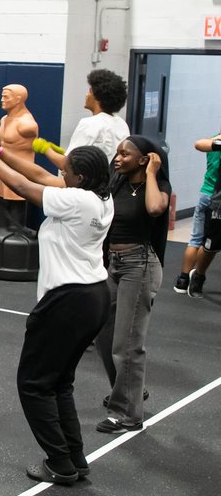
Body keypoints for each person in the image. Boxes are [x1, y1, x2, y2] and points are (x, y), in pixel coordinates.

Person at [0, 132, 113, 484]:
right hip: (94, 295)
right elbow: (37, 174)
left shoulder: (76, 201)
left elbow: (23, 185)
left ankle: (60, 463)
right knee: (59, 382)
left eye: (66, 170)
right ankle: (74, 458)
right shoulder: (99, 197)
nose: (60, 172)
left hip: (68, 300)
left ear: (79, 178)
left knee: (33, 384)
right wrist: (1, 149)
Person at [94, 136, 170, 435]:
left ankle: (126, 413)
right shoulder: (117, 183)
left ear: (144, 159)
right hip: (113, 264)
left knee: (127, 344)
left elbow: (154, 209)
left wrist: (152, 173)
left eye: (125, 154)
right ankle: (126, 392)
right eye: (117, 153)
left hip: (140, 266)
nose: (118, 158)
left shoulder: (157, 187)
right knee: (104, 335)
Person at [173, 129, 220, 297]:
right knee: (207, 242)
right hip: (213, 196)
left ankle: (183, 280)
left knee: (198, 239)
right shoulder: (214, 142)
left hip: (207, 194)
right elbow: (199, 144)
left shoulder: (213, 139)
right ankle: (191, 278)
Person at [64, 69, 130, 162]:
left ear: (97, 97)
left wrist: (45, 148)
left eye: (90, 91)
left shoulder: (90, 123)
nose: (86, 95)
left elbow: (68, 163)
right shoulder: (121, 123)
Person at [0, 84, 39, 222]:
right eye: (2, 96)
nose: (2, 99)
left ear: (18, 99)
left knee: (16, 213)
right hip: (4, 170)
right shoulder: (4, 119)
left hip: (20, 173)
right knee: (5, 212)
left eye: (6, 97)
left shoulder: (27, 125)